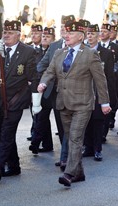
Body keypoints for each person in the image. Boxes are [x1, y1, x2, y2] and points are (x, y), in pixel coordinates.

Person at [38, 21, 111, 187]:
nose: (66, 36)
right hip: (63, 102)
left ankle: (69, 173)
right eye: (66, 33)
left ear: (80, 36)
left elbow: (101, 80)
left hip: (82, 104)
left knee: (76, 138)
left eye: (70, 34)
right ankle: (79, 173)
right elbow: (49, 71)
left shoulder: (90, 54)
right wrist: (43, 83)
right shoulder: (59, 52)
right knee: (70, 137)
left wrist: (104, 102)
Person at [0, 20, 38, 182]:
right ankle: (14, 166)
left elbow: (33, 77)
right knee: (2, 131)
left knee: (7, 132)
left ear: (19, 35)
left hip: (15, 100)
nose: (6, 35)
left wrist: (36, 100)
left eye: (10, 33)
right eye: (4, 32)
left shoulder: (28, 51)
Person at [37, 15, 75, 171]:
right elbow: (42, 65)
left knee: (70, 126)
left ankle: (66, 157)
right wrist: (45, 79)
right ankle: (66, 153)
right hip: (56, 92)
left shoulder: (83, 48)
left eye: (68, 29)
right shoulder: (54, 47)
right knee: (61, 126)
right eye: (62, 28)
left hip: (74, 93)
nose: (64, 31)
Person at [82, 24, 115, 161]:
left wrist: (109, 97)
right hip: (84, 91)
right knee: (86, 121)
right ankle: (88, 148)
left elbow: (109, 76)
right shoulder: (81, 51)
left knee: (98, 121)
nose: (90, 37)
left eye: (93, 34)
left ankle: (97, 149)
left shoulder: (106, 53)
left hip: (98, 91)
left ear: (98, 36)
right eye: (88, 34)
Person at [29, 27, 56, 155]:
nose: (44, 38)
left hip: (49, 88)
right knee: (39, 117)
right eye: (44, 36)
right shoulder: (36, 51)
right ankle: (47, 144)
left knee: (42, 116)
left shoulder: (55, 51)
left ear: (53, 39)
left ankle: (35, 142)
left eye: (48, 37)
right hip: (36, 87)